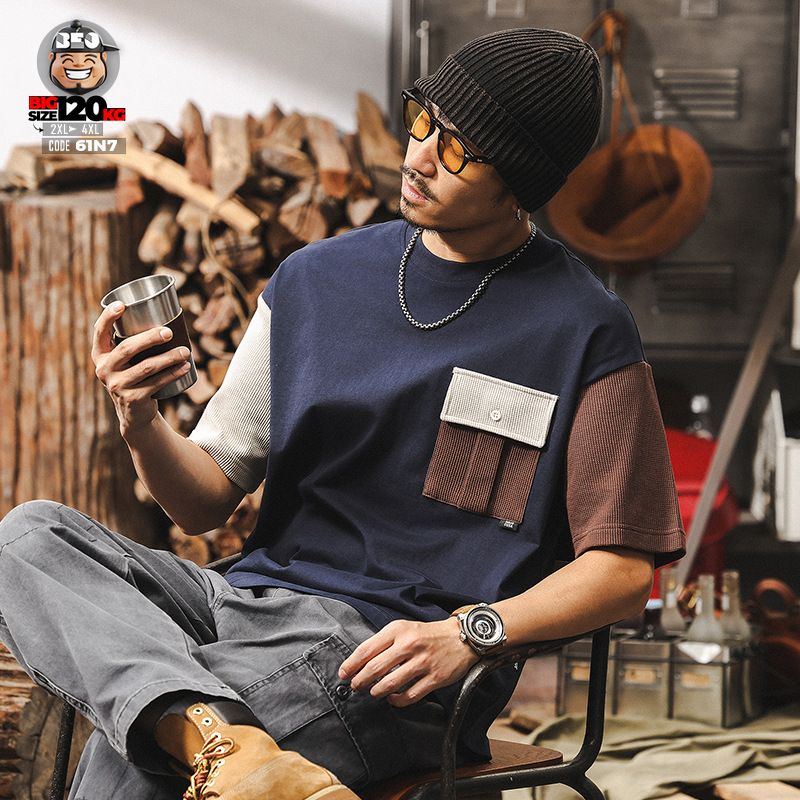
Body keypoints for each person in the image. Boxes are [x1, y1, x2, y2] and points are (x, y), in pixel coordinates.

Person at [0, 27, 686, 800]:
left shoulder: (584, 329)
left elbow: (622, 572)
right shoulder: (313, 280)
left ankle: (201, 730)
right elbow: (202, 501)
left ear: (521, 181)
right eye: (422, 121)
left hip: (390, 655)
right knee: (28, 537)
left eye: (458, 150)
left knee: (137, 758)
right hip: (244, 600)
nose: (419, 156)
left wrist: (472, 632)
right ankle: (215, 735)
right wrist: (140, 420)